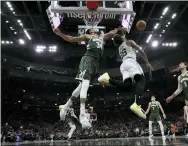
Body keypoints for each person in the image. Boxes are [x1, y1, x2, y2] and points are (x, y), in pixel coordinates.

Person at [54, 27, 124, 129]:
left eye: (95, 30)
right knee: (85, 84)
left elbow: (111, 33)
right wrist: (60, 34)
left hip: (95, 63)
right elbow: (71, 39)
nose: (94, 31)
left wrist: (118, 29)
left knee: (81, 86)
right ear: (90, 32)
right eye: (92, 30)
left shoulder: (102, 37)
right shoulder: (88, 36)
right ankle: (82, 115)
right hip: (87, 59)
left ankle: (66, 106)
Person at [98, 30, 153, 118]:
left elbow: (118, 38)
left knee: (127, 86)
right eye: (124, 34)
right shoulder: (129, 42)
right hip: (131, 62)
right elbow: (141, 51)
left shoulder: (120, 47)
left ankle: (108, 79)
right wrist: (147, 62)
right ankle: (136, 104)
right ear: (122, 37)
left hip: (123, 65)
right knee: (141, 80)